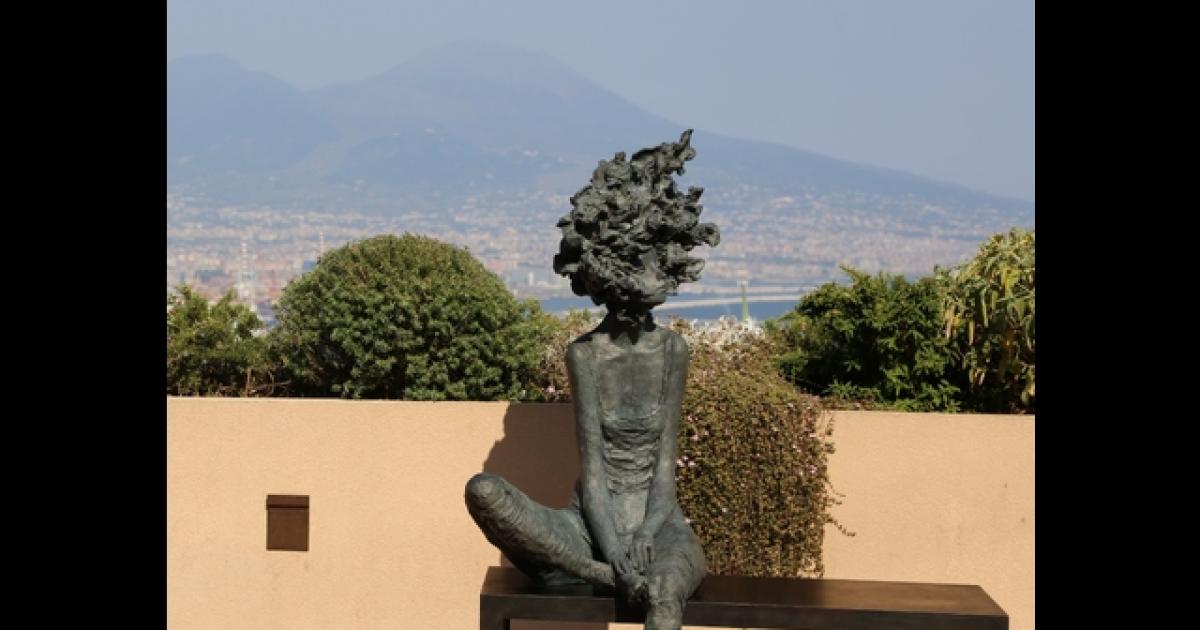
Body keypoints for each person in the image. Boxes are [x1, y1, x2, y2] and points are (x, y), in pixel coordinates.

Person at [466, 130, 719, 630]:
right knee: (485, 491)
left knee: (664, 596)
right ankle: (600, 574)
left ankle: (612, 577)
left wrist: (644, 534)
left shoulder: (672, 351)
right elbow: (595, 475)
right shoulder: (586, 355)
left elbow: (664, 470)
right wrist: (615, 554)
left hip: (660, 529)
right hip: (587, 531)